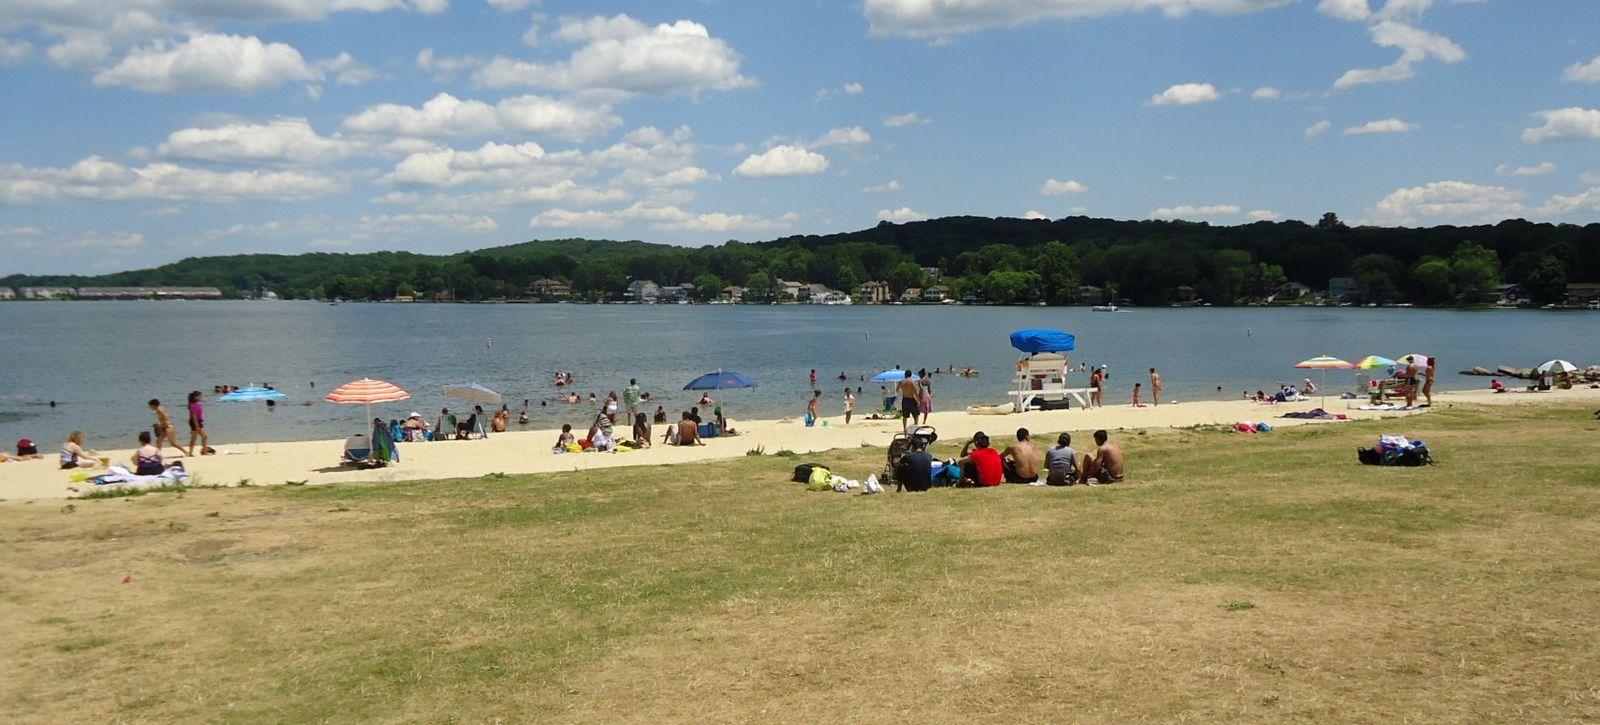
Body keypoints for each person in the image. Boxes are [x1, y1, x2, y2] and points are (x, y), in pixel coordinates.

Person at [186, 390, 212, 455]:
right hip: (195, 422)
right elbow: (194, 416)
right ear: (196, 397)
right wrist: (197, 425)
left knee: (195, 438)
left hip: (196, 421)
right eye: (200, 396)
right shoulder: (194, 405)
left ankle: (191, 452)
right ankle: (204, 452)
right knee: (203, 436)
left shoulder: (195, 404)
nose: (201, 397)